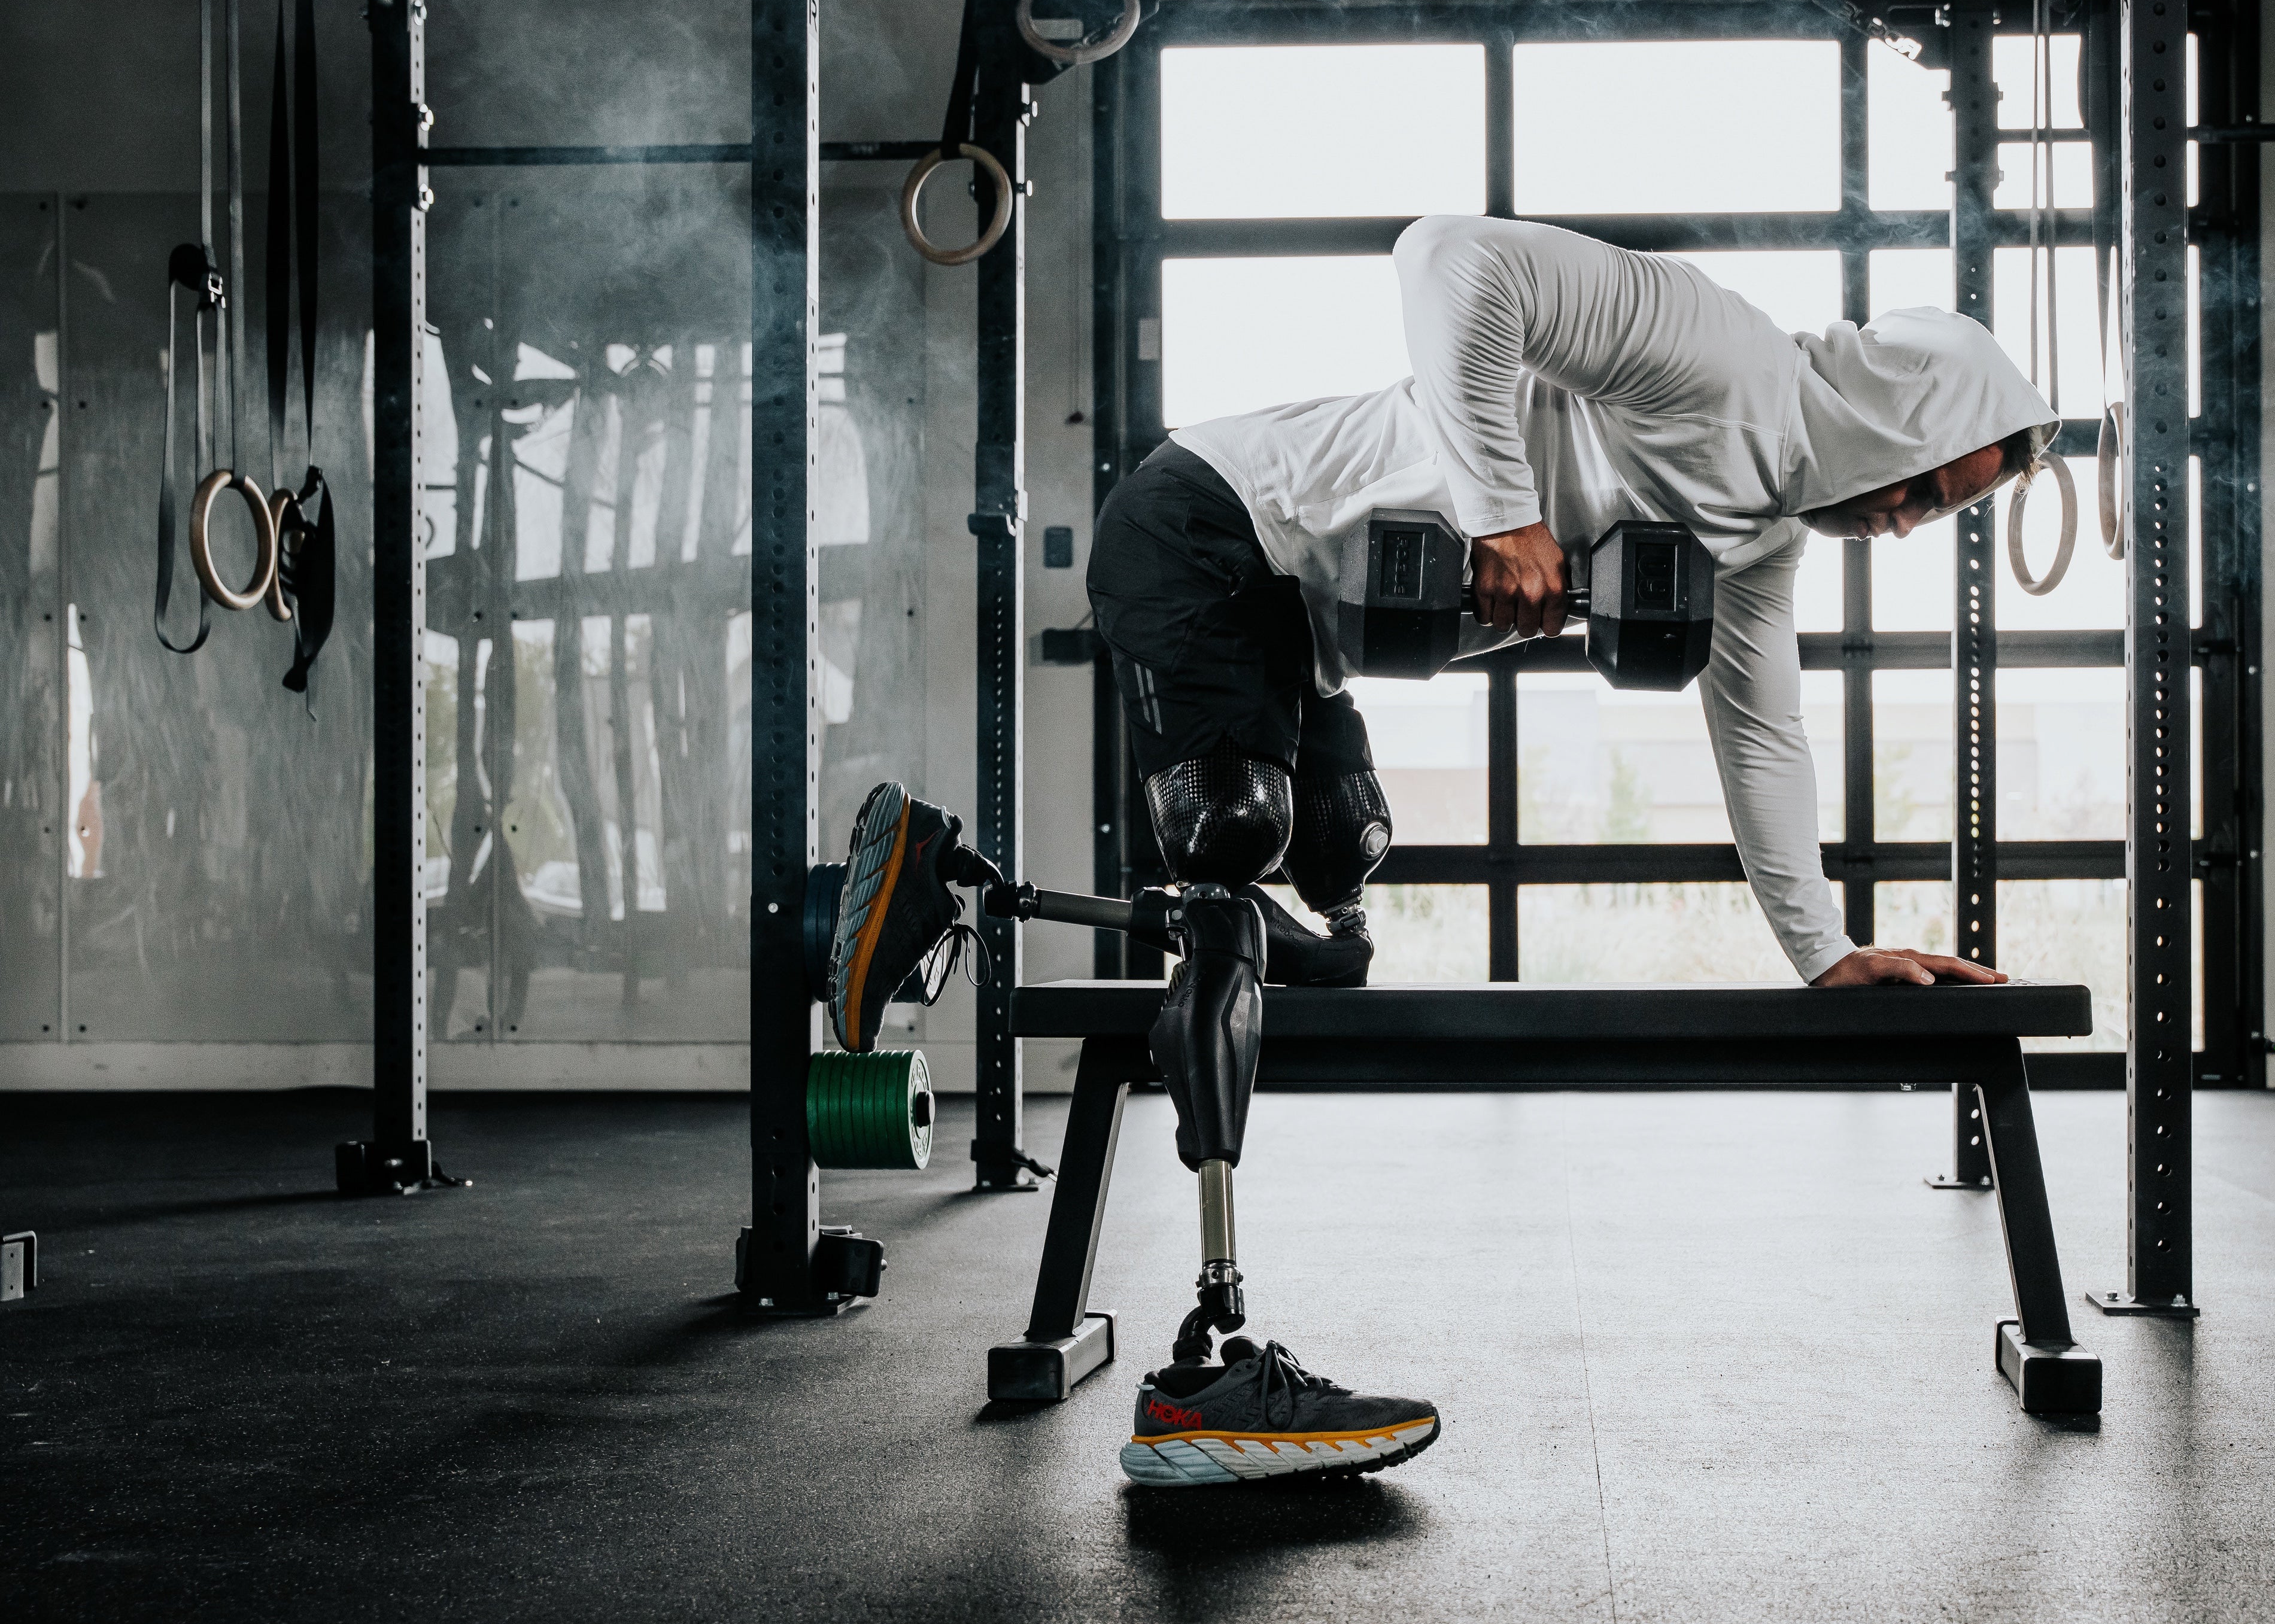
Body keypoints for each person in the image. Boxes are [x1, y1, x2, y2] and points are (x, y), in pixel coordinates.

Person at [829, 215, 2057, 1488]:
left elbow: (1762, 736)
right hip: (1205, 525)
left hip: (1295, 634)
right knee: (1230, 843)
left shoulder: (1762, 541)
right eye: (1922, 485)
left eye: (1935, 516)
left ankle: (955, 879)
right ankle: (1209, 1361)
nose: (1906, 522)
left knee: (1341, 857)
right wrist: (1504, 513)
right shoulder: (1718, 350)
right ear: (1898, 414)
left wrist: (1825, 954)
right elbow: (1449, 260)